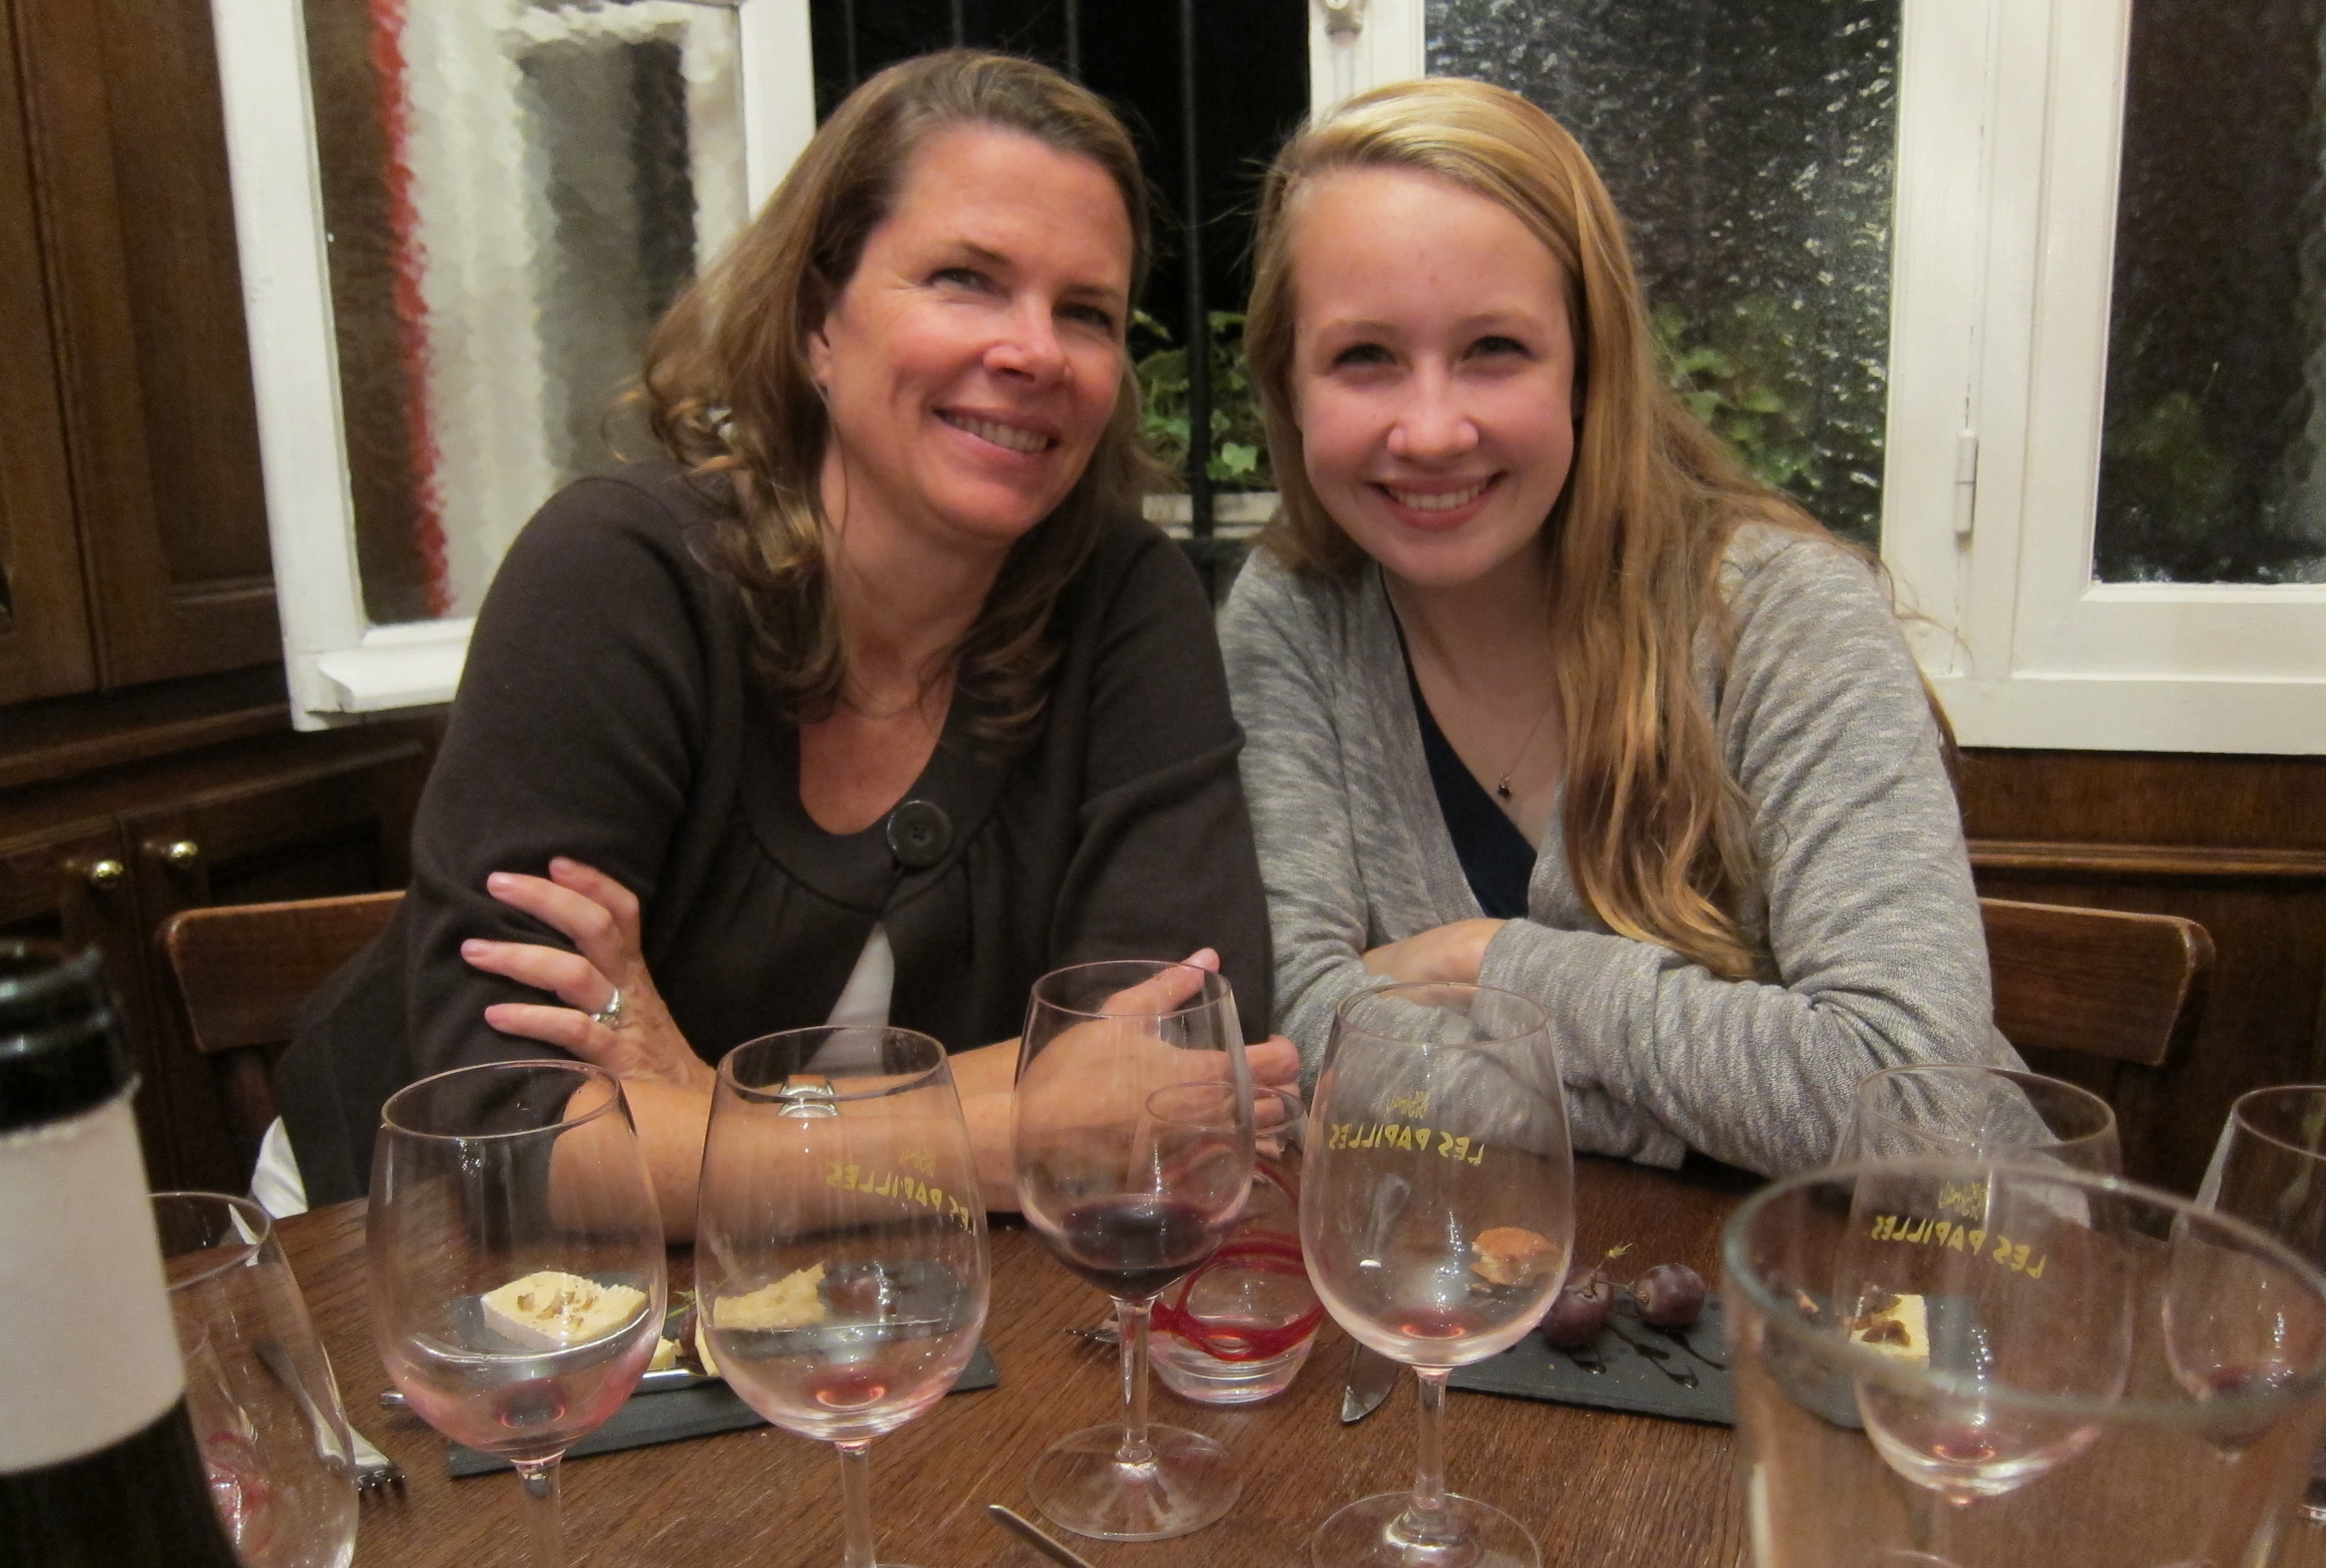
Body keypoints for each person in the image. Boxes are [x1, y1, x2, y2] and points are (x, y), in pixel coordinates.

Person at [277, 50, 1290, 1229]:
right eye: (965, 280)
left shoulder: (1126, 599)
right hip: (396, 1251)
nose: (1034, 351)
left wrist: (709, 1109)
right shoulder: (618, 574)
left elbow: (1170, 1084)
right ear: (817, 321)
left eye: (1087, 313)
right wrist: (1006, 1132)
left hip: (856, 1282)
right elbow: (506, 1134)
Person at [1217, 79, 2005, 1178]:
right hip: (1510, 1263)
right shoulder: (1293, 616)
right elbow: (1301, 1045)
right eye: (1364, 358)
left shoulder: (1784, 615)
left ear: (1589, 370)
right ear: (1290, 387)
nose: (1432, 429)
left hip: (1923, 1267)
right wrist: (1691, 1115)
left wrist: (1499, 964)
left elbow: (1915, 1104)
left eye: (1495, 347)